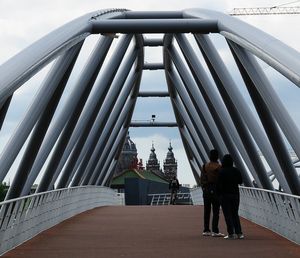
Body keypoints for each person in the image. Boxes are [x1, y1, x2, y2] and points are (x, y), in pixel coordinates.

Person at [218, 154, 244, 240]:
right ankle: (239, 233)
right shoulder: (236, 170)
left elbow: (219, 185)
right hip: (235, 194)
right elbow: (240, 181)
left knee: (227, 215)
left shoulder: (221, 171)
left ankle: (231, 234)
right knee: (235, 214)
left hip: (225, 195)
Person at [200, 149, 224, 237]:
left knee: (207, 210)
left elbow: (201, 180)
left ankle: (206, 230)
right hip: (216, 190)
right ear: (217, 156)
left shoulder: (204, 166)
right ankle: (215, 230)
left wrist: (204, 187)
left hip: (206, 190)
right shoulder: (219, 167)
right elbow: (221, 180)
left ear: (209, 156)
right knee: (216, 210)